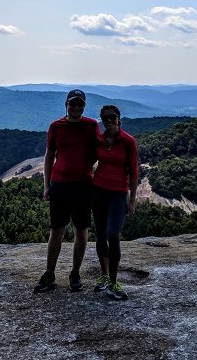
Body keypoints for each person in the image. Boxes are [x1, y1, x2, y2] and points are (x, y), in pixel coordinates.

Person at [34, 89, 100, 293]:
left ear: (84, 106)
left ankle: (75, 273)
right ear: (66, 105)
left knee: (81, 230)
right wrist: (46, 186)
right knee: (56, 231)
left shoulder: (91, 126)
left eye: (80, 104)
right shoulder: (56, 126)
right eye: (73, 104)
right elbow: (49, 156)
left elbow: (98, 152)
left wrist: (86, 166)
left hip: (83, 185)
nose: (76, 107)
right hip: (60, 185)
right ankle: (50, 274)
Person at [92, 104, 138, 300]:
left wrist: (132, 200)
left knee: (113, 234)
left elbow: (134, 172)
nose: (109, 121)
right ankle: (104, 276)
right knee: (100, 234)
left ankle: (113, 281)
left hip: (118, 194)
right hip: (98, 191)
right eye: (105, 118)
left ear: (119, 118)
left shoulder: (128, 141)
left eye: (112, 117)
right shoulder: (99, 140)